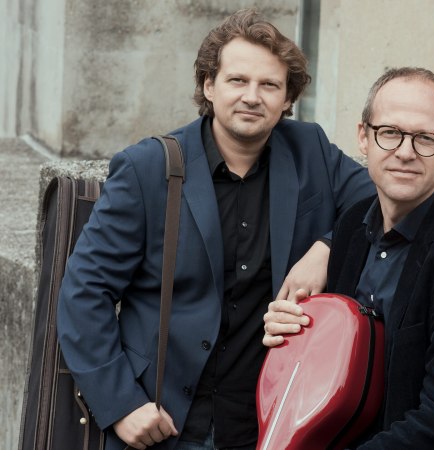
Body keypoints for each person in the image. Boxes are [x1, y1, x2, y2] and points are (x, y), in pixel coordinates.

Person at [57, 8, 374, 450]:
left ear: (287, 99)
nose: (252, 96)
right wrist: (121, 405)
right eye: (237, 80)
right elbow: (84, 291)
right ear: (209, 86)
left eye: (269, 85)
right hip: (163, 422)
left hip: (267, 421)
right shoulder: (148, 168)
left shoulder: (310, 150)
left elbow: (381, 201)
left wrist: (326, 247)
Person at [263, 67, 434, 449]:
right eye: (391, 133)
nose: (405, 152)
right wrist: (294, 340)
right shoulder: (352, 226)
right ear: (364, 138)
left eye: (425, 139)